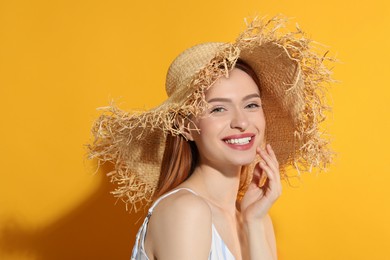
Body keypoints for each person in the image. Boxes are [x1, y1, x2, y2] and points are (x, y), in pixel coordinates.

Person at [88, 15, 334, 260]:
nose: (241, 122)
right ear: (186, 126)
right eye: (218, 109)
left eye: (251, 105)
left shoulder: (255, 218)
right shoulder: (186, 211)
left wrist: (254, 222)